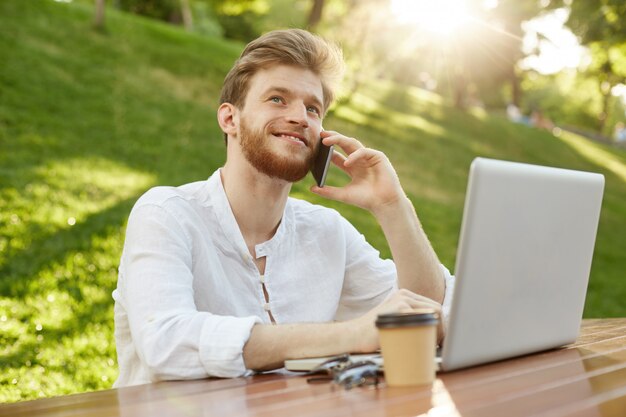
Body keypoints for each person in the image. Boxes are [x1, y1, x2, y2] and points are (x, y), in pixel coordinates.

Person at [112, 29, 455, 387]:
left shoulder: (326, 230)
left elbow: (427, 310)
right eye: (278, 99)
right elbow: (166, 341)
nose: (300, 117)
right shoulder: (167, 213)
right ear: (230, 119)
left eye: (312, 108)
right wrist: (352, 335)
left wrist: (392, 206)